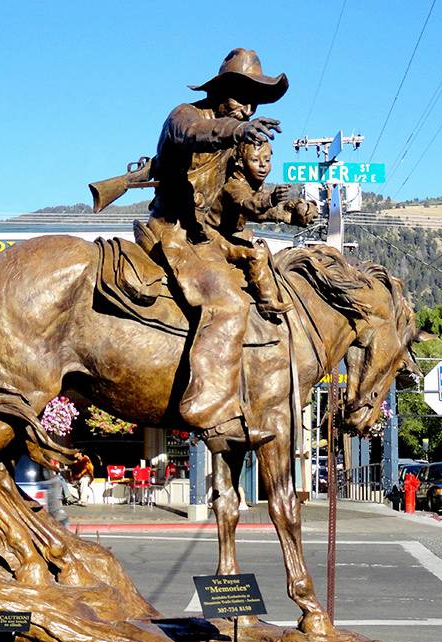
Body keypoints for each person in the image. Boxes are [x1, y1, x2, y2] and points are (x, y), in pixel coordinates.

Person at [143, 48, 289, 451]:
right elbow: (194, 134)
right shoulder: (185, 115)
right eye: (241, 95)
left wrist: (279, 207)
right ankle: (214, 412)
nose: (247, 107)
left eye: (254, 99)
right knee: (229, 305)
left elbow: (232, 194)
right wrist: (236, 131)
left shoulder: (232, 139)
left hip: (206, 237)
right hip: (173, 233)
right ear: (219, 90)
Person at [205, 138, 317, 317]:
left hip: (231, 235)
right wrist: (271, 199)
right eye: (255, 160)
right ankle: (267, 302)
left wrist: (292, 213)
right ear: (241, 163)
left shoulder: (252, 184)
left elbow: (264, 213)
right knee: (258, 254)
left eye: (266, 160)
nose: (263, 166)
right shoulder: (234, 185)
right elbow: (250, 205)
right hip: (211, 237)